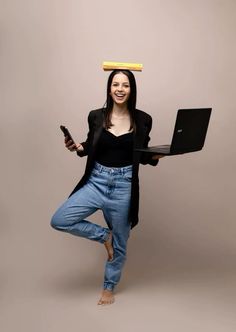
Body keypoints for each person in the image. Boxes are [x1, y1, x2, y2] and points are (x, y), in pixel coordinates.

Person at [50, 69, 164, 305]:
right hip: (97, 181)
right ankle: (104, 236)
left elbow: (140, 155)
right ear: (109, 88)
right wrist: (78, 147)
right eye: (115, 84)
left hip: (124, 184)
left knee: (122, 242)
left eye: (125, 85)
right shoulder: (96, 115)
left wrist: (155, 157)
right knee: (60, 219)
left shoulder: (144, 119)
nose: (120, 89)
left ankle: (108, 287)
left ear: (132, 89)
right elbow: (93, 145)